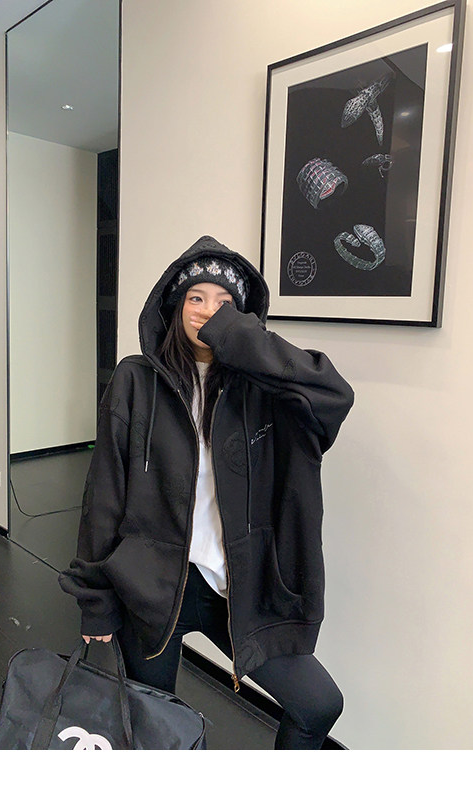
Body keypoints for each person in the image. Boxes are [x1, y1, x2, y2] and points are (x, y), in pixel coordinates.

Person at [59, 234, 354, 749]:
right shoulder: (136, 380)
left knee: (318, 704)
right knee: (154, 729)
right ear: (176, 307)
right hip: (151, 588)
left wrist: (239, 340)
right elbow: (103, 496)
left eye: (224, 303)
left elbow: (333, 396)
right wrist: (96, 602)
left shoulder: (263, 392)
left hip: (235, 588)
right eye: (196, 298)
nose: (208, 311)